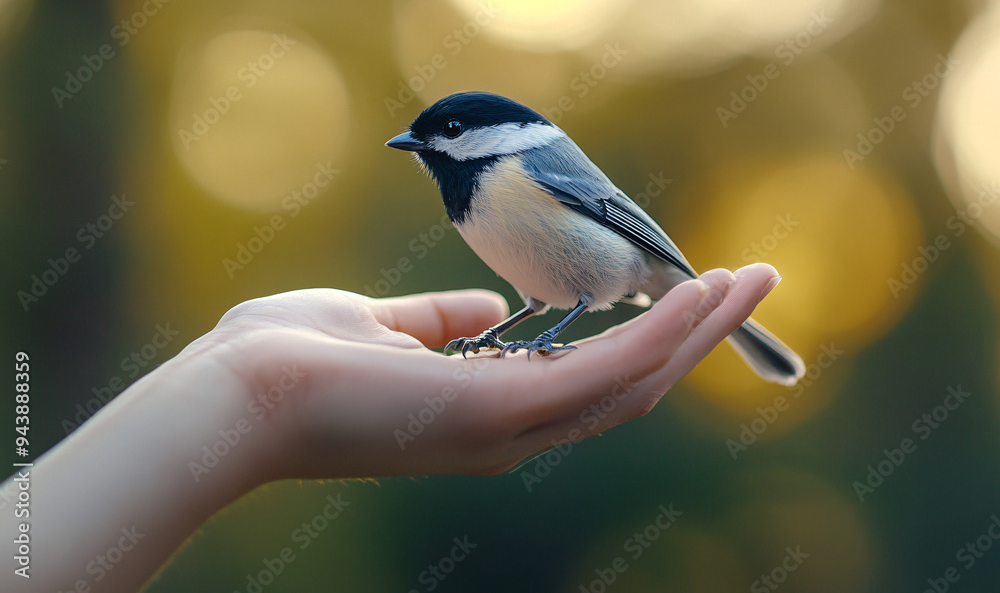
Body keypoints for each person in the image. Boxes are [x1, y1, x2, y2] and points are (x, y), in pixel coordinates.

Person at [1, 263, 782, 591]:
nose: (424, 149)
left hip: (621, 271)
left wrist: (247, 387)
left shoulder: (525, 166)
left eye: (441, 135)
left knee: (553, 310)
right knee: (532, 312)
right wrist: (248, 387)